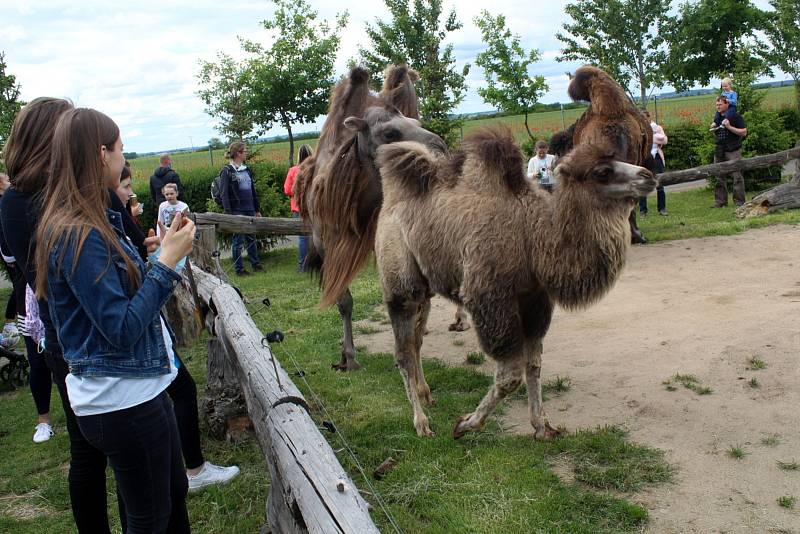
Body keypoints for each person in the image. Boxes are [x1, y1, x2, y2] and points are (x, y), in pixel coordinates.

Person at [34, 107, 193, 533]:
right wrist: (168, 264)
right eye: (121, 150)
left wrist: (160, 256)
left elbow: (120, 297)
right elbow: (121, 328)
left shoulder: (91, 219)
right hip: (122, 401)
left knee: (172, 497)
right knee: (150, 518)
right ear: (102, 154)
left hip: (139, 389)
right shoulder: (80, 233)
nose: (125, 160)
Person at [112, 167, 240, 493]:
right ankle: (194, 469)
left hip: (147, 347)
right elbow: (132, 304)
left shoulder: (109, 221)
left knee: (179, 392)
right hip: (143, 347)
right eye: (126, 186)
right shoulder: (101, 225)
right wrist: (168, 257)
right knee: (180, 391)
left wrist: (159, 248)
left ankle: (188, 468)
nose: (132, 195)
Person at [220, 141, 263, 276]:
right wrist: (229, 213)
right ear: (238, 153)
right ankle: (239, 269)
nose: (246, 153)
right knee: (237, 241)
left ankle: (255, 264)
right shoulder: (227, 171)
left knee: (251, 238)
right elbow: (224, 193)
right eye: (244, 151)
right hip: (237, 210)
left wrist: (257, 209)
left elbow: (253, 190)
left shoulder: (246, 169)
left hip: (249, 208)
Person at [711, 96, 748, 208]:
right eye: (717, 105)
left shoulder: (735, 116)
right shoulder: (717, 117)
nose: (718, 107)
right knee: (719, 176)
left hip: (733, 150)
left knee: (737, 176)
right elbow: (718, 133)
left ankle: (739, 202)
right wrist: (714, 129)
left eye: (720, 104)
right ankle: (720, 202)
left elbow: (744, 132)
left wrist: (729, 126)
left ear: (727, 104)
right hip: (719, 149)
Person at [283, 145, 312, 272]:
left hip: (298, 207)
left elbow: (287, 190)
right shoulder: (315, 168)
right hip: (313, 206)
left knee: (302, 238)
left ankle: (302, 265)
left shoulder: (293, 170)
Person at [640, 110, 668, 217]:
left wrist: (652, 138)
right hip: (644, 158)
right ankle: (643, 210)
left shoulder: (657, 128)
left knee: (660, 183)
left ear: (648, 118)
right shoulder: (639, 129)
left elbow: (664, 140)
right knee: (643, 184)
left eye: (644, 119)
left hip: (656, 157)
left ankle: (662, 208)